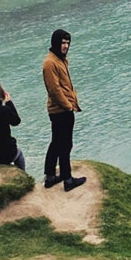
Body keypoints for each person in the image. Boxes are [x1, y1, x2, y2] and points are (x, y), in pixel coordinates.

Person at [42, 27, 86, 192]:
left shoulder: (60, 59)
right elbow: (54, 90)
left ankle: (50, 176)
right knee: (65, 145)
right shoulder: (50, 63)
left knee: (56, 143)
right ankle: (67, 179)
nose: (66, 46)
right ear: (56, 43)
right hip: (61, 110)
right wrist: (68, 107)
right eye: (63, 42)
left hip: (62, 109)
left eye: (68, 42)